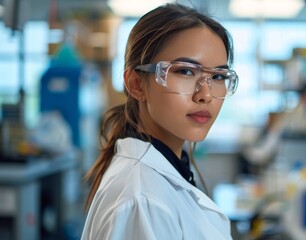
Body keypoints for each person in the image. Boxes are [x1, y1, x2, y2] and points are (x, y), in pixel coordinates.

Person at [81, 2, 238, 240]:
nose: (205, 94)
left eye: (217, 76)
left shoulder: (163, 171)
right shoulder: (143, 200)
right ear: (136, 84)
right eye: (185, 71)